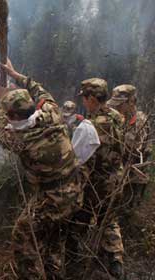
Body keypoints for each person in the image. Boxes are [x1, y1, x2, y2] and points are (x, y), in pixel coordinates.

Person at [0, 60, 83, 279]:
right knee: (52, 242)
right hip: (76, 190)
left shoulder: (20, 139)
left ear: (13, 117)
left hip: (52, 199)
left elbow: (0, 132)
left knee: (23, 237)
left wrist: (0, 100)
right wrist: (15, 73)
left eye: (7, 113)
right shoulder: (52, 112)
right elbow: (38, 88)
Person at [77, 78, 125, 279]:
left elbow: (83, 159)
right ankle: (115, 259)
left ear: (92, 99)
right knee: (109, 219)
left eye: (85, 98)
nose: (84, 102)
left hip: (98, 181)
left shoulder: (93, 125)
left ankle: (75, 257)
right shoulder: (115, 116)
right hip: (117, 176)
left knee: (82, 216)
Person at [107, 85, 151, 207]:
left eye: (120, 104)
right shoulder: (122, 118)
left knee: (127, 213)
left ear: (131, 102)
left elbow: (130, 149)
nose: (116, 107)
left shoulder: (139, 121)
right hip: (122, 175)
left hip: (133, 180)